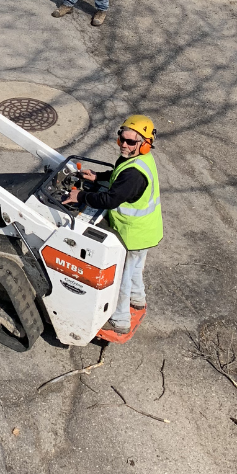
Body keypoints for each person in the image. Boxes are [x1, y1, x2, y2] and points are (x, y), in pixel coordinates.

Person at [61, 115, 162, 334]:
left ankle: (120, 319)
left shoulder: (135, 174)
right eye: (122, 138)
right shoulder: (137, 160)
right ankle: (138, 299)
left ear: (145, 144)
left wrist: (80, 196)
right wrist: (97, 177)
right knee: (135, 269)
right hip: (146, 231)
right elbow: (118, 177)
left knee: (121, 277)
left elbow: (110, 199)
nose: (124, 144)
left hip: (132, 235)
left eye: (130, 142)